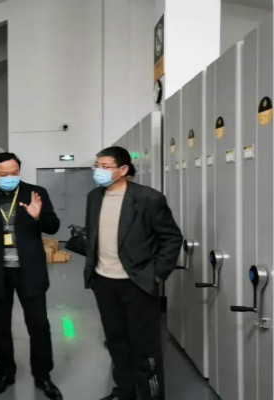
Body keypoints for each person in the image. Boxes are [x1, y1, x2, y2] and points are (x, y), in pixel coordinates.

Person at [84, 146, 182, 400]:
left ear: (123, 169)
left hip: (137, 283)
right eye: (96, 166)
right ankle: (123, 391)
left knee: (145, 347)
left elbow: (171, 238)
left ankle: (151, 396)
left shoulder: (148, 198)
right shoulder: (94, 197)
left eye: (105, 167)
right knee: (116, 341)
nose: (98, 171)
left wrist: (158, 273)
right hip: (104, 281)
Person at [0, 152, 62, 400]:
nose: (10, 177)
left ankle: (43, 375)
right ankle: (5, 373)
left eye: (14, 173)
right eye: (4, 174)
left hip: (30, 271)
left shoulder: (35, 193)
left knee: (39, 326)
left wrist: (38, 216)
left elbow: (53, 226)